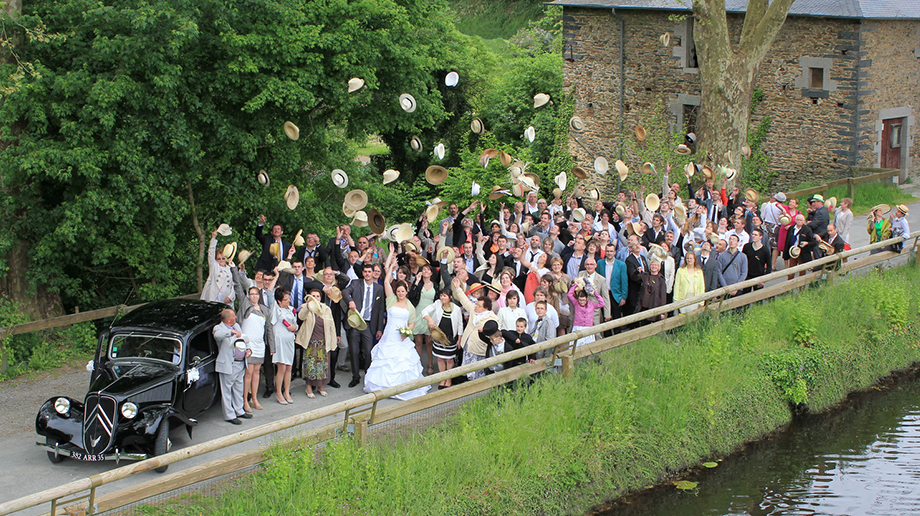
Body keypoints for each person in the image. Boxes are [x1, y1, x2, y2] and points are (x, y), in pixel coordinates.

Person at [363, 279, 430, 400]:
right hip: (389, 335)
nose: (400, 293)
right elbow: (386, 283)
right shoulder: (391, 300)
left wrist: (407, 332)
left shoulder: (410, 306)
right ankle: (382, 386)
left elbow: (412, 323)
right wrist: (390, 264)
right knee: (384, 360)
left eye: (402, 291)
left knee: (403, 361)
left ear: (406, 292)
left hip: (401, 337)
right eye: (398, 291)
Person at [231, 266, 273, 413]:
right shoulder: (245, 305)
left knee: (256, 373)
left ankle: (254, 398)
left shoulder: (264, 309)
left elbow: (269, 329)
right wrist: (234, 270)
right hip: (247, 345)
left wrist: (272, 347)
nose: (254, 296)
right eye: (252, 294)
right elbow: (237, 287)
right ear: (249, 295)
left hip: (260, 345)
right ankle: (244, 400)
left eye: (256, 294)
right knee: (247, 374)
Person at [342, 262, 386, 388]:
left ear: (373, 273)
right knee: (354, 351)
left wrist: (379, 329)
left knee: (368, 351)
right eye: (365, 272)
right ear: (362, 273)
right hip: (355, 322)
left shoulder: (379, 289)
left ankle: (368, 375)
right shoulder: (356, 283)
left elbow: (380, 309)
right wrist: (350, 301)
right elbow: (345, 291)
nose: (367, 274)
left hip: (368, 324)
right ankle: (355, 376)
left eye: (369, 272)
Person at [452, 277, 499, 381]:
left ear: (485, 308)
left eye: (478, 305)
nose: (476, 307)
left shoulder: (492, 318)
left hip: (478, 348)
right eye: (476, 304)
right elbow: (465, 301)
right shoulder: (473, 310)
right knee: (466, 371)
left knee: (477, 373)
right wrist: (457, 288)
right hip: (467, 346)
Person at [295, 283, 336, 398]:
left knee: (322, 366)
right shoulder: (305, 307)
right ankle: (308, 388)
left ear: (321, 297)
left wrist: (333, 341)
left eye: (317, 296)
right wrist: (308, 306)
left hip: (323, 342)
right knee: (310, 366)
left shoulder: (326, 309)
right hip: (310, 342)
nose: (315, 298)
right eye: (313, 296)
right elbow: (301, 317)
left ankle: (321, 387)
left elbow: (332, 325)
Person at [213, 309, 252, 425]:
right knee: (227, 390)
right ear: (229, 319)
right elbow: (218, 336)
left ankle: (239, 410)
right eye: (234, 316)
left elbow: (244, 338)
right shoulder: (219, 328)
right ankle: (229, 415)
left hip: (240, 362)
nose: (236, 318)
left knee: (239, 387)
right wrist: (231, 333)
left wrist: (248, 349)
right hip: (229, 364)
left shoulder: (237, 326)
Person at [422, 288, 463, 389]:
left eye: (445, 296)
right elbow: (424, 311)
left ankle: (449, 379)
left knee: (449, 359)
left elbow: (460, 325)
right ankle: (442, 378)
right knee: (440, 358)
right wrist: (430, 319)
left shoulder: (456, 309)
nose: (442, 298)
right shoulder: (437, 304)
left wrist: (459, 338)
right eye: (441, 295)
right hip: (439, 337)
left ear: (450, 297)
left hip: (450, 338)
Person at [409, 264, 437, 375]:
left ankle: (430, 364)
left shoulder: (435, 285)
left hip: (430, 314)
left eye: (428, 270)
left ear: (431, 273)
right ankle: (418, 364)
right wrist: (416, 281)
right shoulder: (418, 284)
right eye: (424, 269)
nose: (425, 271)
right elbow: (411, 296)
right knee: (418, 342)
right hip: (418, 313)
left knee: (429, 341)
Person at [567, 280, 605, 347]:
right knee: (576, 346)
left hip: (588, 327)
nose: (581, 302)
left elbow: (602, 304)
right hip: (578, 327)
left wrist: (595, 292)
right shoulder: (576, 303)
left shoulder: (591, 304)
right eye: (580, 300)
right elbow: (569, 294)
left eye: (583, 300)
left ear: (587, 298)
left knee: (589, 346)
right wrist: (575, 284)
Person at [201, 229, 235, 305]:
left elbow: (234, 284)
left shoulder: (230, 268)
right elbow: (211, 253)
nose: (221, 260)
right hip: (213, 296)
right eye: (219, 258)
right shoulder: (214, 266)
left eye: (223, 258)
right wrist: (213, 238)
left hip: (225, 298)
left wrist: (230, 297)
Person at [742, 228, 771, 293]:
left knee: (758, 298)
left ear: (761, 237)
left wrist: (764, 280)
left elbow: (769, 266)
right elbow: (742, 261)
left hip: (759, 276)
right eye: (753, 234)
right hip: (747, 275)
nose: (753, 236)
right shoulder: (747, 247)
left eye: (756, 235)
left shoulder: (765, 250)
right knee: (745, 296)